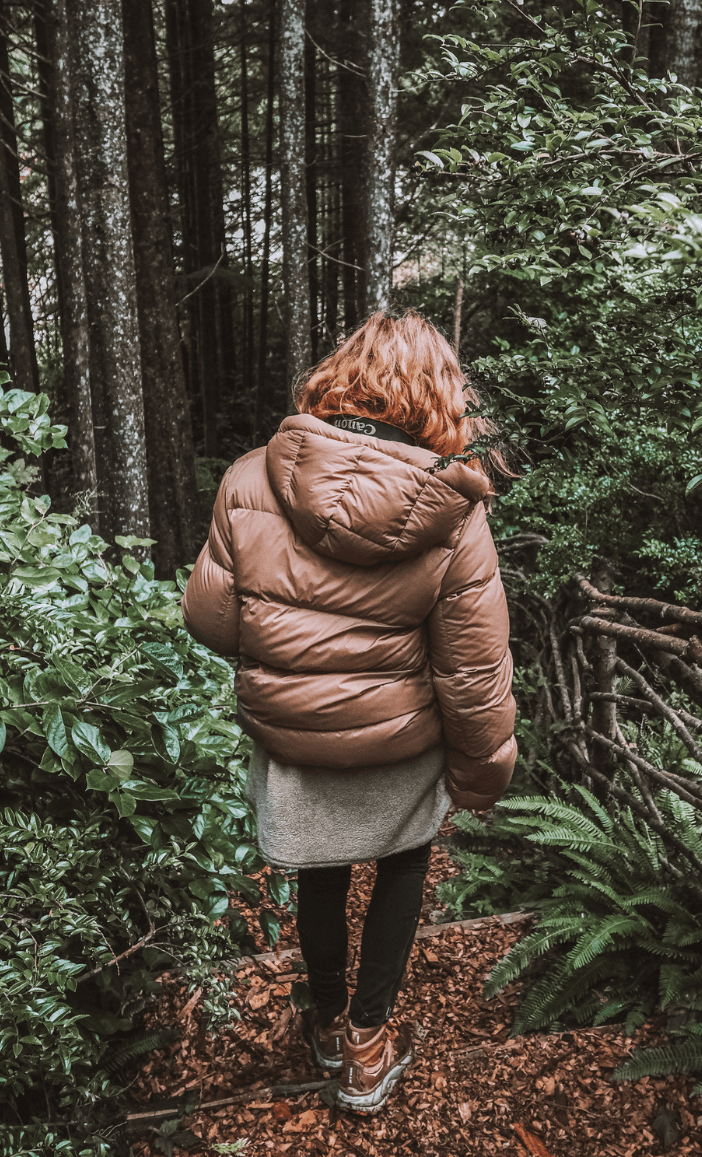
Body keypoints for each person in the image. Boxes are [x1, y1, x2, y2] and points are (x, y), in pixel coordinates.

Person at [181, 309, 517, 1115]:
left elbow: (212, 622)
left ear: (339, 376)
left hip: (295, 737)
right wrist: (483, 772)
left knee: (322, 875)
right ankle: (369, 1048)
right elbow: (471, 670)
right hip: (401, 739)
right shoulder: (458, 506)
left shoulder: (251, 477)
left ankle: (327, 1024)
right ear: (440, 394)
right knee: (403, 865)